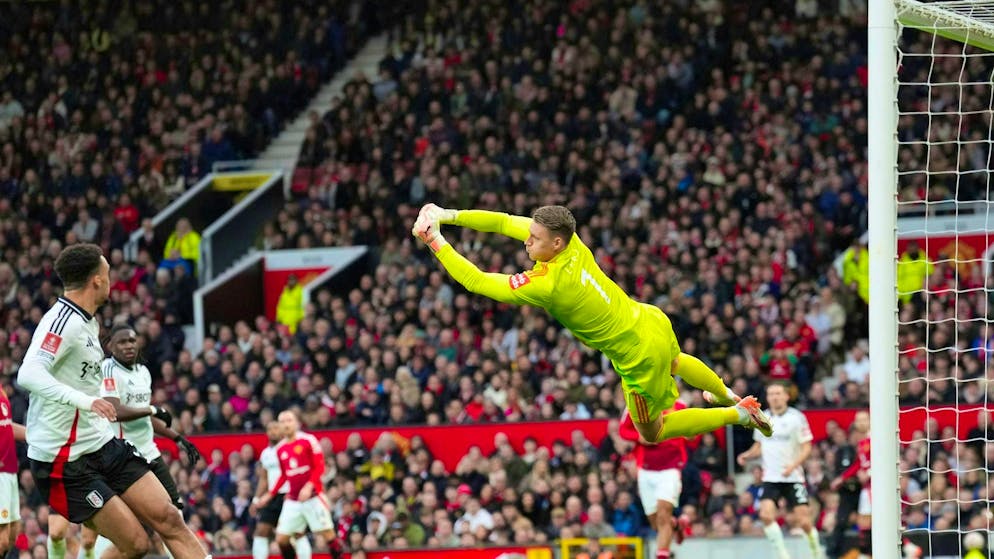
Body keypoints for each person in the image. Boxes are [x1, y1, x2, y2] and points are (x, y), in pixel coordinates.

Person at [412, 204, 773, 443]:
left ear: (555, 242)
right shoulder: (571, 243)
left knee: (653, 431)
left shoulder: (547, 285)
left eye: (534, 239)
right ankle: (727, 393)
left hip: (638, 358)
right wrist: (448, 214)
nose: (527, 239)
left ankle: (736, 414)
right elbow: (505, 222)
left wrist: (435, 239)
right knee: (676, 361)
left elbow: (475, 280)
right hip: (649, 320)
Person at [16, 243, 210, 559]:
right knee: (135, 545)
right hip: (63, 461)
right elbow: (29, 374)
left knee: (170, 518)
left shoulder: (89, 322)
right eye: (107, 273)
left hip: (103, 444)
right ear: (96, 280)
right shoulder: (61, 322)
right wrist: (86, 401)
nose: (112, 280)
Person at [88, 322, 204, 556]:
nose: (129, 346)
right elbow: (115, 410)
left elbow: (143, 415)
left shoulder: (143, 372)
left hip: (149, 452)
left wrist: (177, 437)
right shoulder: (108, 369)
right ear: (110, 346)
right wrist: (152, 410)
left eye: (132, 340)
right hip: (121, 457)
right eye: (122, 342)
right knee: (123, 530)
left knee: (174, 514)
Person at [736, 382, 823, 559]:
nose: (774, 397)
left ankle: (816, 552)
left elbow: (806, 447)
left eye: (778, 393)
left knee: (804, 521)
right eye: (771, 394)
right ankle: (782, 554)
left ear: (786, 396)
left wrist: (793, 465)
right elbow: (759, 446)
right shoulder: (762, 417)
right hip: (771, 477)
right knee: (766, 516)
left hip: (793, 477)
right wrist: (747, 455)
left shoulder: (797, 417)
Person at [255, 411, 338, 559]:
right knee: (281, 539)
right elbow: (284, 475)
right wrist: (270, 494)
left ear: (296, 423)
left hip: (313, 497)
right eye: (283, 422)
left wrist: (309, 486)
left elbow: (319, 466)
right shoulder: (280, 449)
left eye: (289, 421)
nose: (286, 424)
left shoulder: (308, 440)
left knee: (329, 536)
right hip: (292, 500)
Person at [619, 403, 688, 559]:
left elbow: (692, 434)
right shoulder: (635, 404)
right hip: (646, 468)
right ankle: (676, 525)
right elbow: (623, 430)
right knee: (656, 522)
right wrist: (639, 437)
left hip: (671, 467)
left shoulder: (679, 405)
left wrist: (692, 435)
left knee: (664, 513)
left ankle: (661, 555)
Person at [252, 421, 312, 559]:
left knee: (297, 532)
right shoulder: (266, 453)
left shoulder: (289, 447)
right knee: (261, 531)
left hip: (290, 495)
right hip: (272, 497)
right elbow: (264, 478)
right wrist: (256, 499)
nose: (273, 432)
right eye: (269, 429)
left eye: (276, 428)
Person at [831, 411, 871, 558]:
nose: (860, 423)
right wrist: (841, 478)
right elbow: (859, 464)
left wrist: (870, 472)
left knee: (878, 520)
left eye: (863, 420)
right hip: (867, 488)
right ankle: (864, 554)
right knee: (864, 522)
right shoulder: (862, 442)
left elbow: (882, 459)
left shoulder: (877, 438)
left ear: (870, 421)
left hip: (877, 487)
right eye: (857, 420)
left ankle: (906, 547)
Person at [0, 382, 26, 558]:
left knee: (12, 534)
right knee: (2, 539)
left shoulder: (2, 390)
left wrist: (37, 436)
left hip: (10, 470)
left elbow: (7, 426)